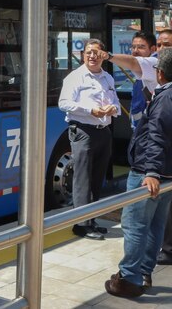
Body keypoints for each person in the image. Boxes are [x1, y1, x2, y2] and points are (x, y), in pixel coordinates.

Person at [104, 48, 172, 298]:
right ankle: (144, 272)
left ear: (160, 74)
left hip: (149, 175)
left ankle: (128, 278)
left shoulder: (167, 99)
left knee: (135, 225)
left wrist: (150, 172)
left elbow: (156, 138)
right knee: (156, 224)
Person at [58, 38, 120, 240]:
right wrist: (90, 110)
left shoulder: (107, 78)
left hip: (103, 131)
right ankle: (81, 224)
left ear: (103, 55)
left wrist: (113, 109)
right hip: (83, 131)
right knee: (82, 179)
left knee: (96, 179)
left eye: (96, 52)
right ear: (83, 55)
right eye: (88, 52)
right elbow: (64, 103)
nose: (92, 56)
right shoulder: (75, 77)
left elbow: (117, 104)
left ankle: (91, 219)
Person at [127, 32, 157, 130]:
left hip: (148, 129)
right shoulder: (138, 73)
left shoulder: (154, 66)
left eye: (141, 47)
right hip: (138, 129)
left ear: (152, 49)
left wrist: (108, 57)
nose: (135, 51)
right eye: (133, 47)